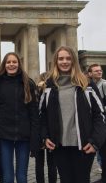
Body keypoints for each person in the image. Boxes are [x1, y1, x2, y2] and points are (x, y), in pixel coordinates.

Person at [40, 46, 106, 183]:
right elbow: (42, 115)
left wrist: (95, 142)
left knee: (82, 180)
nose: (65, 61)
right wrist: (45, 137)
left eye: (68, 58)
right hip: (59, 146)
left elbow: (100, 115)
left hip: (84, 145)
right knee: (66, 180)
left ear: (74, 61)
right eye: (61, 58)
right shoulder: (48, 86)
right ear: (56, 61)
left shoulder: (86, 84)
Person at [0, 52, 40, 183]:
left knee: (22, 176)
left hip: (24, 137)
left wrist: (35, 142)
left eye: (14, 62)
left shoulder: (28, 83)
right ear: (4, 65)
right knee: (7, 176)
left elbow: (34, 114)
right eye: (8, 62)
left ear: (19, 64)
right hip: (4, 137)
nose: (11, 64)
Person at [35, 72, 57, 183]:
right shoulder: (53, 89)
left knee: (39, 163)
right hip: (51, 129)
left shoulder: (36, 89)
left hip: (38, 129)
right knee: (52, 163)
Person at [88, 63, 106, 182]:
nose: (99, 72)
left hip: (103, 122)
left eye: (100, 70)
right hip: (99, 123)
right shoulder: (92, 84)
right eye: (96, 71)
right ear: (90, 73)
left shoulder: (104, 84)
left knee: (104, 151)